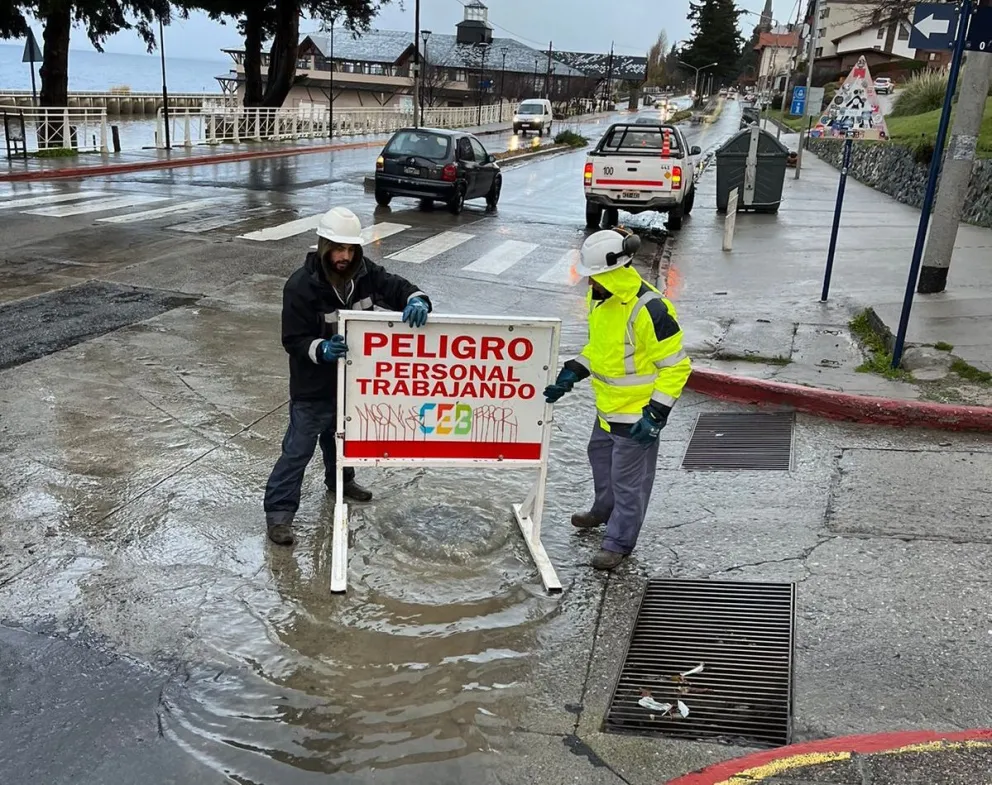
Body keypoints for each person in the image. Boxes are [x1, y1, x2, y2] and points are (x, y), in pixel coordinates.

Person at [264, 206, 433, 546]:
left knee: (340, 439)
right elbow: (293, 340)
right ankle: (279, 513)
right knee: (298, 450)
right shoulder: (301, 286)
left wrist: (417, 300)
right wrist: (322, 348)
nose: (344, 257)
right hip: (313, 389)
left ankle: (341, 481)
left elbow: (397, 287)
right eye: (338, 249)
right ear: (323, 247)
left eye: (350, 249)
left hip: (351, 385)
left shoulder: (365, 274)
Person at [543, 228, 691, 570]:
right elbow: (601, 350)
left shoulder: (649, 308)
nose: (588, 282)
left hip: (637, 416)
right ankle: (603, 510)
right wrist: (573, 372)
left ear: (612, 272)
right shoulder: (601, 300)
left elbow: (677, 366)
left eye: (593, 276)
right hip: (607, 409)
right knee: (601, 463)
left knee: (629, 484)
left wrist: (655, 415)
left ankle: (618, 542)